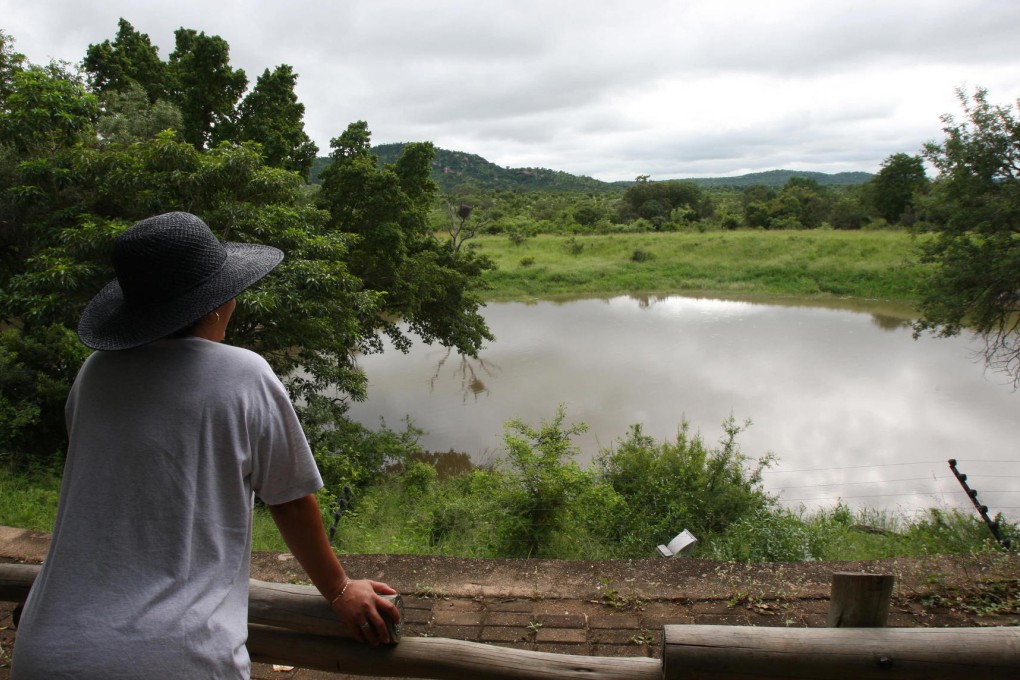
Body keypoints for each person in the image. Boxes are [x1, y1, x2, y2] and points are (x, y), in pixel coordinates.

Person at [11, 211, 400, 679]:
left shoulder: (95, 372)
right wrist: (339, 591)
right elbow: (291, 501)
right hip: (175, 655)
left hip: (48, 647)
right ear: (214, 303)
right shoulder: (242, 373)